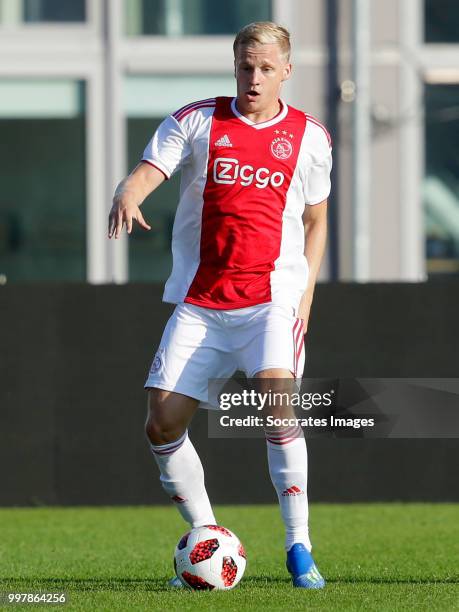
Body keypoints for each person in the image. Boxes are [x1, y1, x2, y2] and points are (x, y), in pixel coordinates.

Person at [108, 21, 331, 589]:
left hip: (270, 300)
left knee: (278, 401)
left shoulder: (310, 136)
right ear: (234, 65)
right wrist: (128, 194)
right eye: (243, 65)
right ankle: (208, 535)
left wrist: (303, 295)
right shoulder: (198, 120)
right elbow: (146, 174)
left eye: (264, 68)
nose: (252, 78)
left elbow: (315, 219)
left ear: (286, 70)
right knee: (162, 422)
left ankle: (298, 545)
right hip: (202, 302)